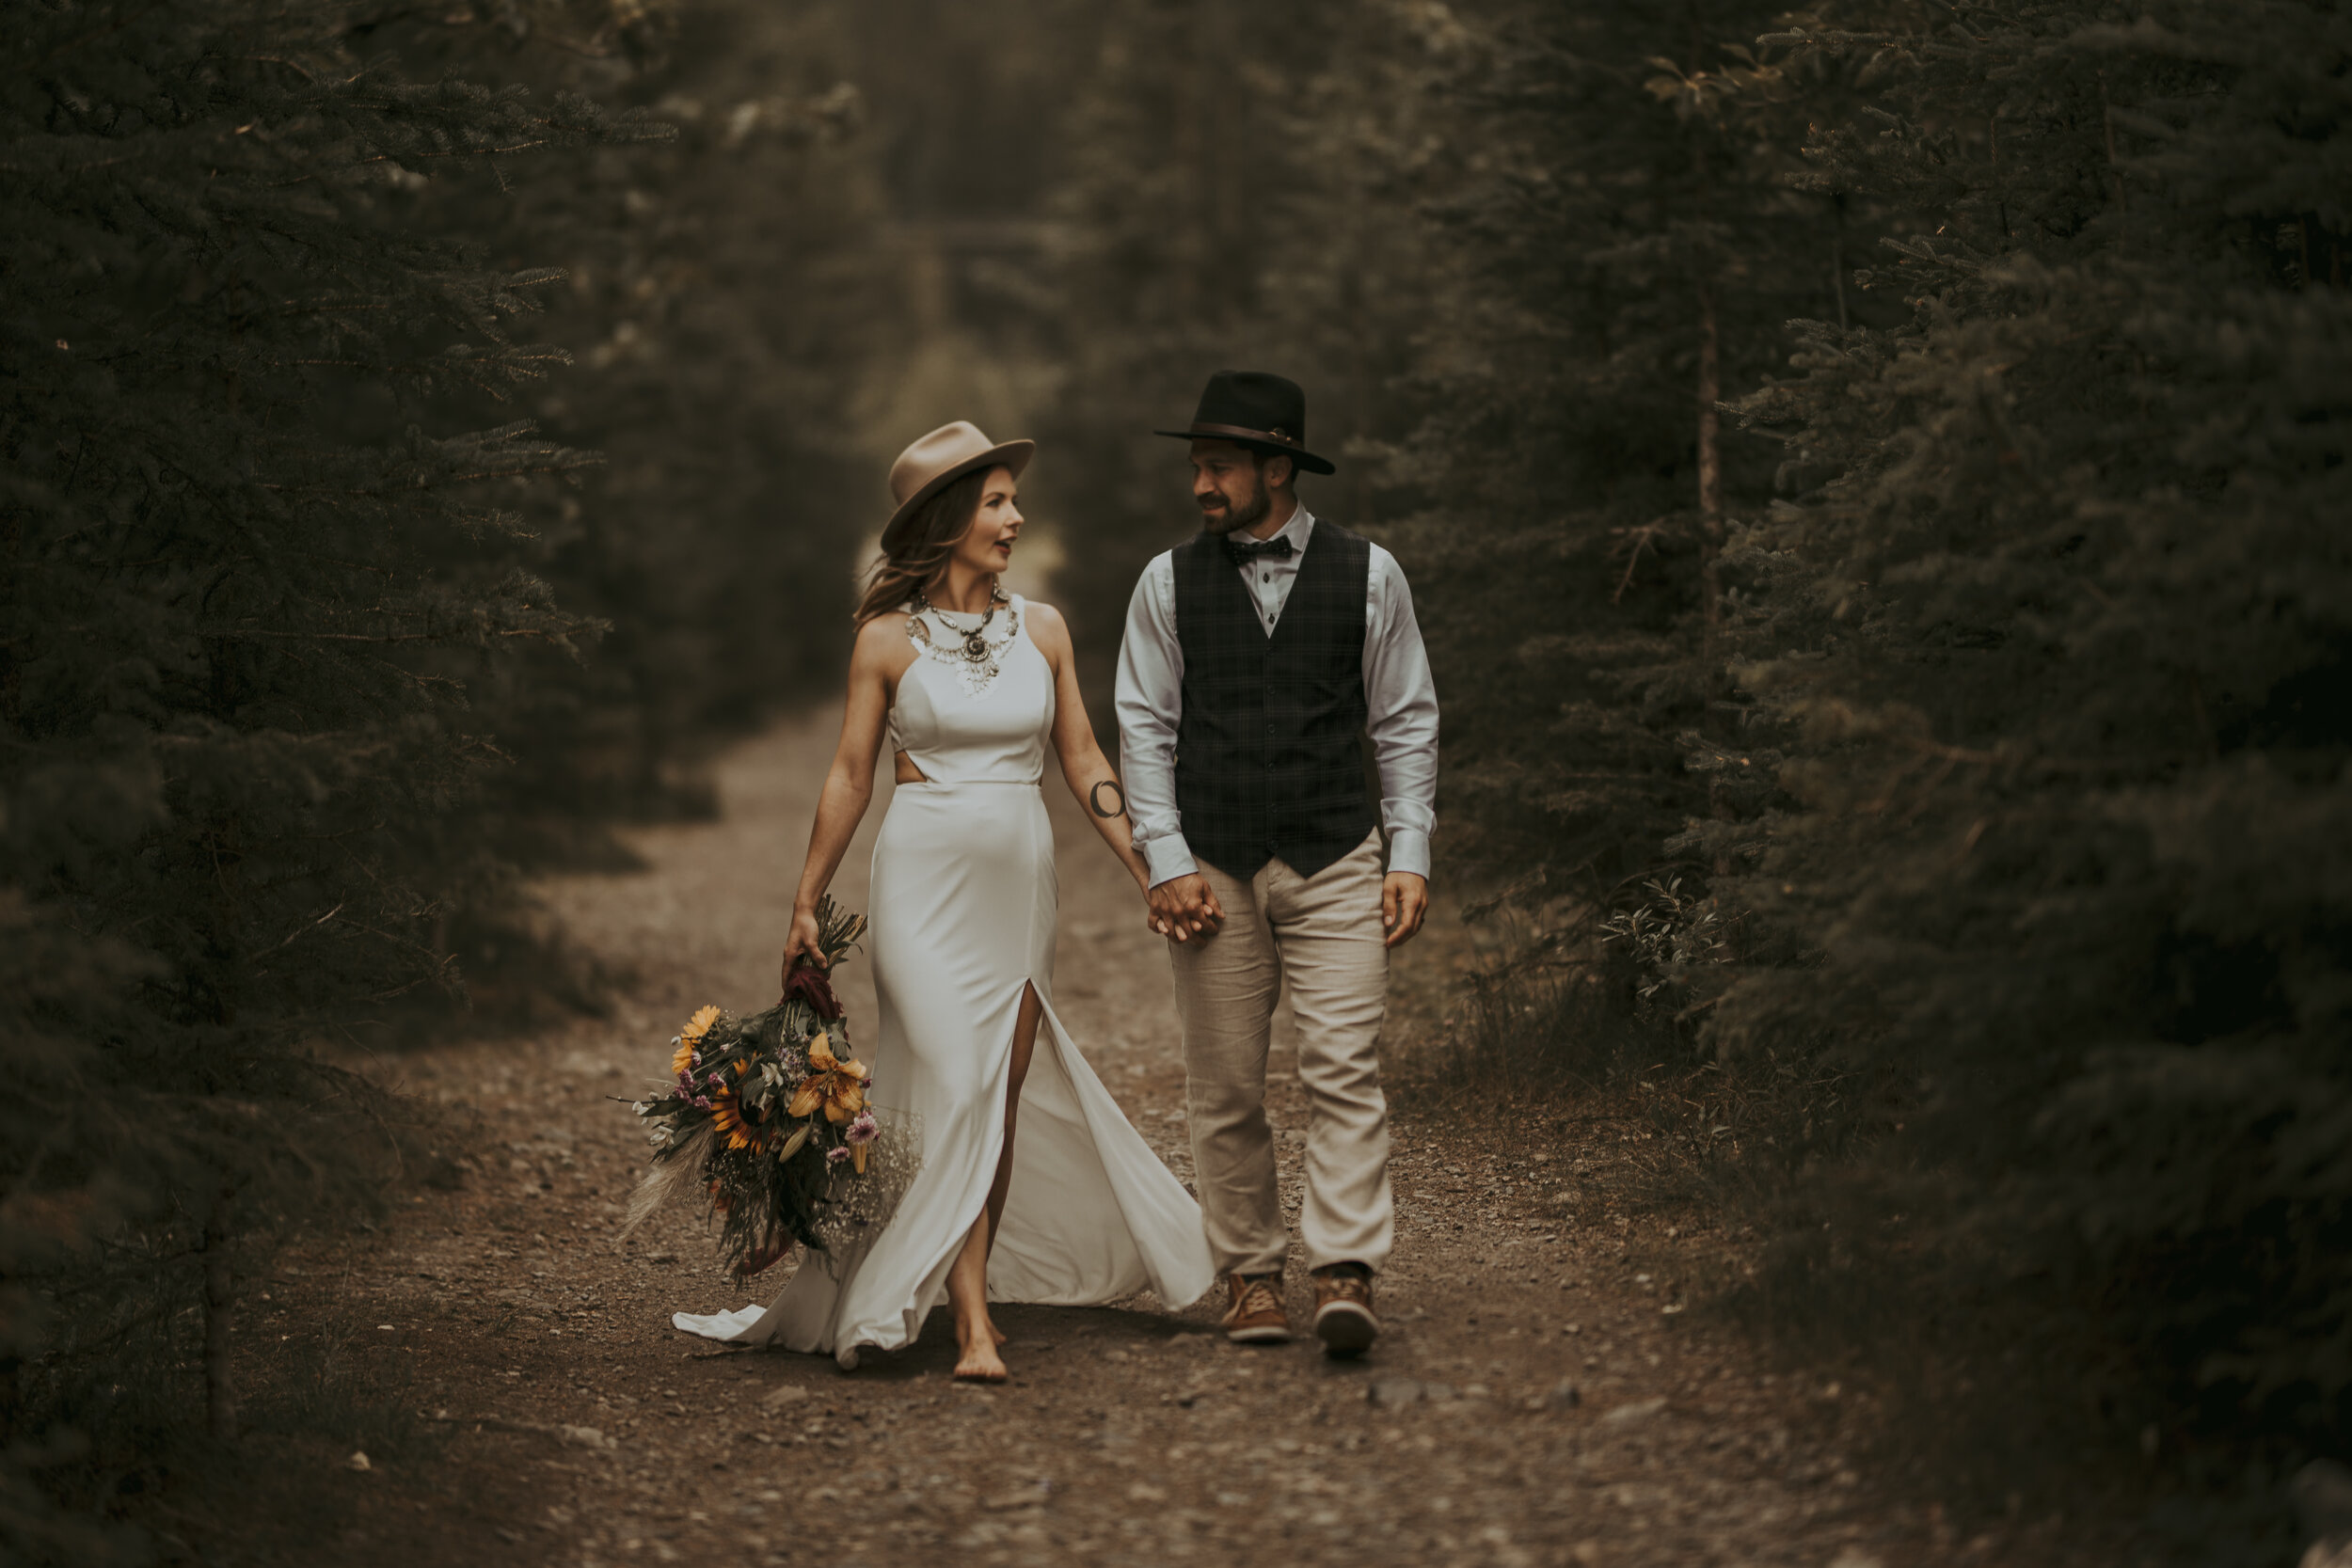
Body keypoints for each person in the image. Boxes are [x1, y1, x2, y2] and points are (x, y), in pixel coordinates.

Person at [672, 421, 1214, 1381]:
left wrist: (1151, 869)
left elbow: (1083, 758)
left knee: (991, 1098)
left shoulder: (1042, 628)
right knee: (955, 1076)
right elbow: (848, 776)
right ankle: (967, 1322)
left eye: (1012, 499)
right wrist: (805, 900)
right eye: (997, 501)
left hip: (1018, 886)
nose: (1015, 517)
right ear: (948, 518)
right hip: (920, 882)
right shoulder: (885, 640)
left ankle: (958, 1295)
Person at [1116, 370, 1439, 1356]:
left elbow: (1404, 718)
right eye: (1196, 467)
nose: (1202, 485)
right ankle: (1250, 1273)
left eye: (1218, 466)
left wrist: (1409, 849)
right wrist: (1166, 860)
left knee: (1342, 1064)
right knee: (1225, 1084)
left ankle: (1344, 1266)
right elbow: (1142, 729)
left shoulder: (1371, 573)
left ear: (1276, 465)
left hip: (1337, 853)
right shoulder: (1165, 581)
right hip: (1211, 863)